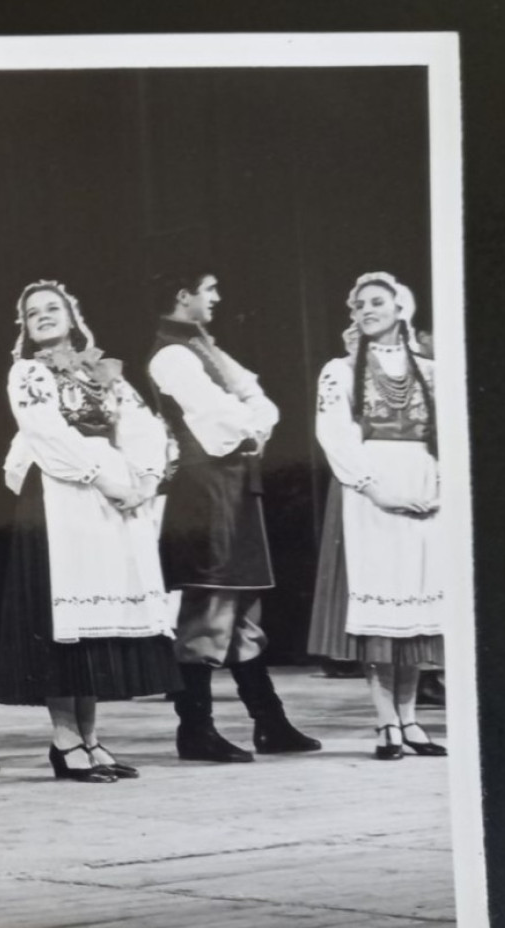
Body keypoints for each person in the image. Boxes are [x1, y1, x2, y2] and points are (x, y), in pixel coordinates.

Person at [0, 282, 180, 780]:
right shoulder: (28, 372)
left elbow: (143, 426)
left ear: (73, 317)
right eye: (33, 313)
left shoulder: (104, 372)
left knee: (96, 621)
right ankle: (64, 738)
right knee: (65, 621)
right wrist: (104, 479)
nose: (43, 316)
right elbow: (46, 433)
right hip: (62, 492)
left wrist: (144, 478)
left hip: (111, 497)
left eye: (52, 308)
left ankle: (91, 737)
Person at [147, 268, 320, 763]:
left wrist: (254, 419)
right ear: (183, 296)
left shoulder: (206, 348)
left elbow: (260, 398)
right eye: (209, 289)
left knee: (243, 609)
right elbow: (219, 416)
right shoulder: (172, 353)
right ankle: (195, 729)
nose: (218, 297)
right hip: (205, 489)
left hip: (232, 484)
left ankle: (269, 721)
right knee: (211, 606)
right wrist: (251, 424)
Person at [306, 272, 445, 759]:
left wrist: (443, 489)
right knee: (380, 615)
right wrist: (375, 489)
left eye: (376, 302)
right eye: (359, 304)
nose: (366, 310)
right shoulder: (340, 371)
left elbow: (450, 437)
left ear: (400, 308)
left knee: (415, 611)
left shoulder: (430, 371)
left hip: (424, 488)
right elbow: (335, 434)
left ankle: (411, 720)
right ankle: (385, 721)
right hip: (369, 494)